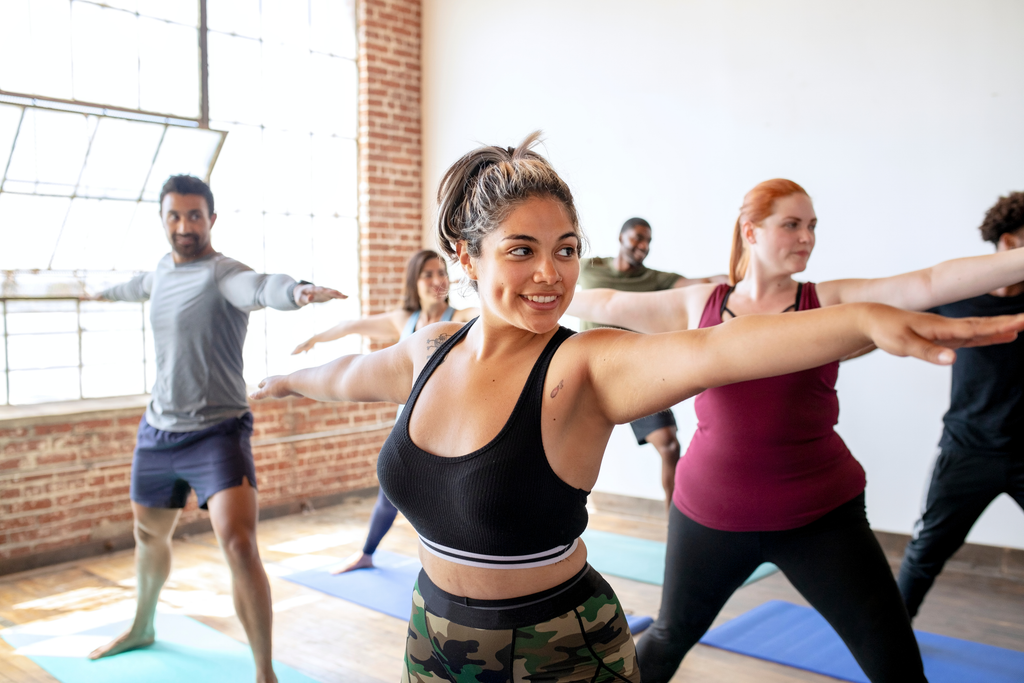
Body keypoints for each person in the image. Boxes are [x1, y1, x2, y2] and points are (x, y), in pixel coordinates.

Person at [251, 142, 1024, 683]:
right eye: (522, 250)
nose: (550, 273)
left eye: (565, 248)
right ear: (465, 254)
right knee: (674, 637)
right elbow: (354, 373)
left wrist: (861, 322)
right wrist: (287, 380)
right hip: (436, 640)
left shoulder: (586, 364)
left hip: (569, 641)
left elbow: (724, 352)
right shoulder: (430, 350)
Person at [566, 178, 1024, 683]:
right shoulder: (698, 303)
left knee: (895, 661)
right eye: (791, 225)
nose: (806, 237)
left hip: (820, 518)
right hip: (709, 515)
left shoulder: (827, 301)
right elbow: (603, 303)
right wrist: (519, 289)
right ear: (752, 232)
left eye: (812, 227)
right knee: (668, 638)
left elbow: (931, 282)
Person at [85, 175, 344, 683]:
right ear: (163, 220)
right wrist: (97, 292)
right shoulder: (161, 271)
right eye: (174, 216)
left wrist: (297, 291)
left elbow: (262, 286)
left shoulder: (222, 273)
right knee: (148, 535)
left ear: (211, 219)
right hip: (158, 433)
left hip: (217, 434)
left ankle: (264, 671)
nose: (184, 226)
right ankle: (142, 625)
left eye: (194, 216)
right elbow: (133, 286)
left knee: (239, 544)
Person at [292, 249, 478, 573]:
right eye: (428, 274)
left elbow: (491, 311)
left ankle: (463, 564)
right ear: (415, 282)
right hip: (407, 425)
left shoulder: (460, 318)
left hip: (448, 427)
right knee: (390, 493)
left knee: (454, 499)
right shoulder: (402, 320)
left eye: (441, 273)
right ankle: (366, 554)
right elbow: (352, 325)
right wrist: (316, 338)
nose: (437, 281)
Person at [898, 191, 1024, 619]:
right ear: (1007, 243)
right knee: (926, 551)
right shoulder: (956, 297)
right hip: (968, 449)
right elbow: (891, 318)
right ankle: (892, 638)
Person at [579, 218, 726, 504]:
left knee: (670, 446)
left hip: (634, 374)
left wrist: (741, 278)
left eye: (647, 242)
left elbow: (704, 283)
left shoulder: (653, 279)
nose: (643, 247)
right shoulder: (590, 267)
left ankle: (675, 522)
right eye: (637, 239)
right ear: (621, 237)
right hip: (589, 373)